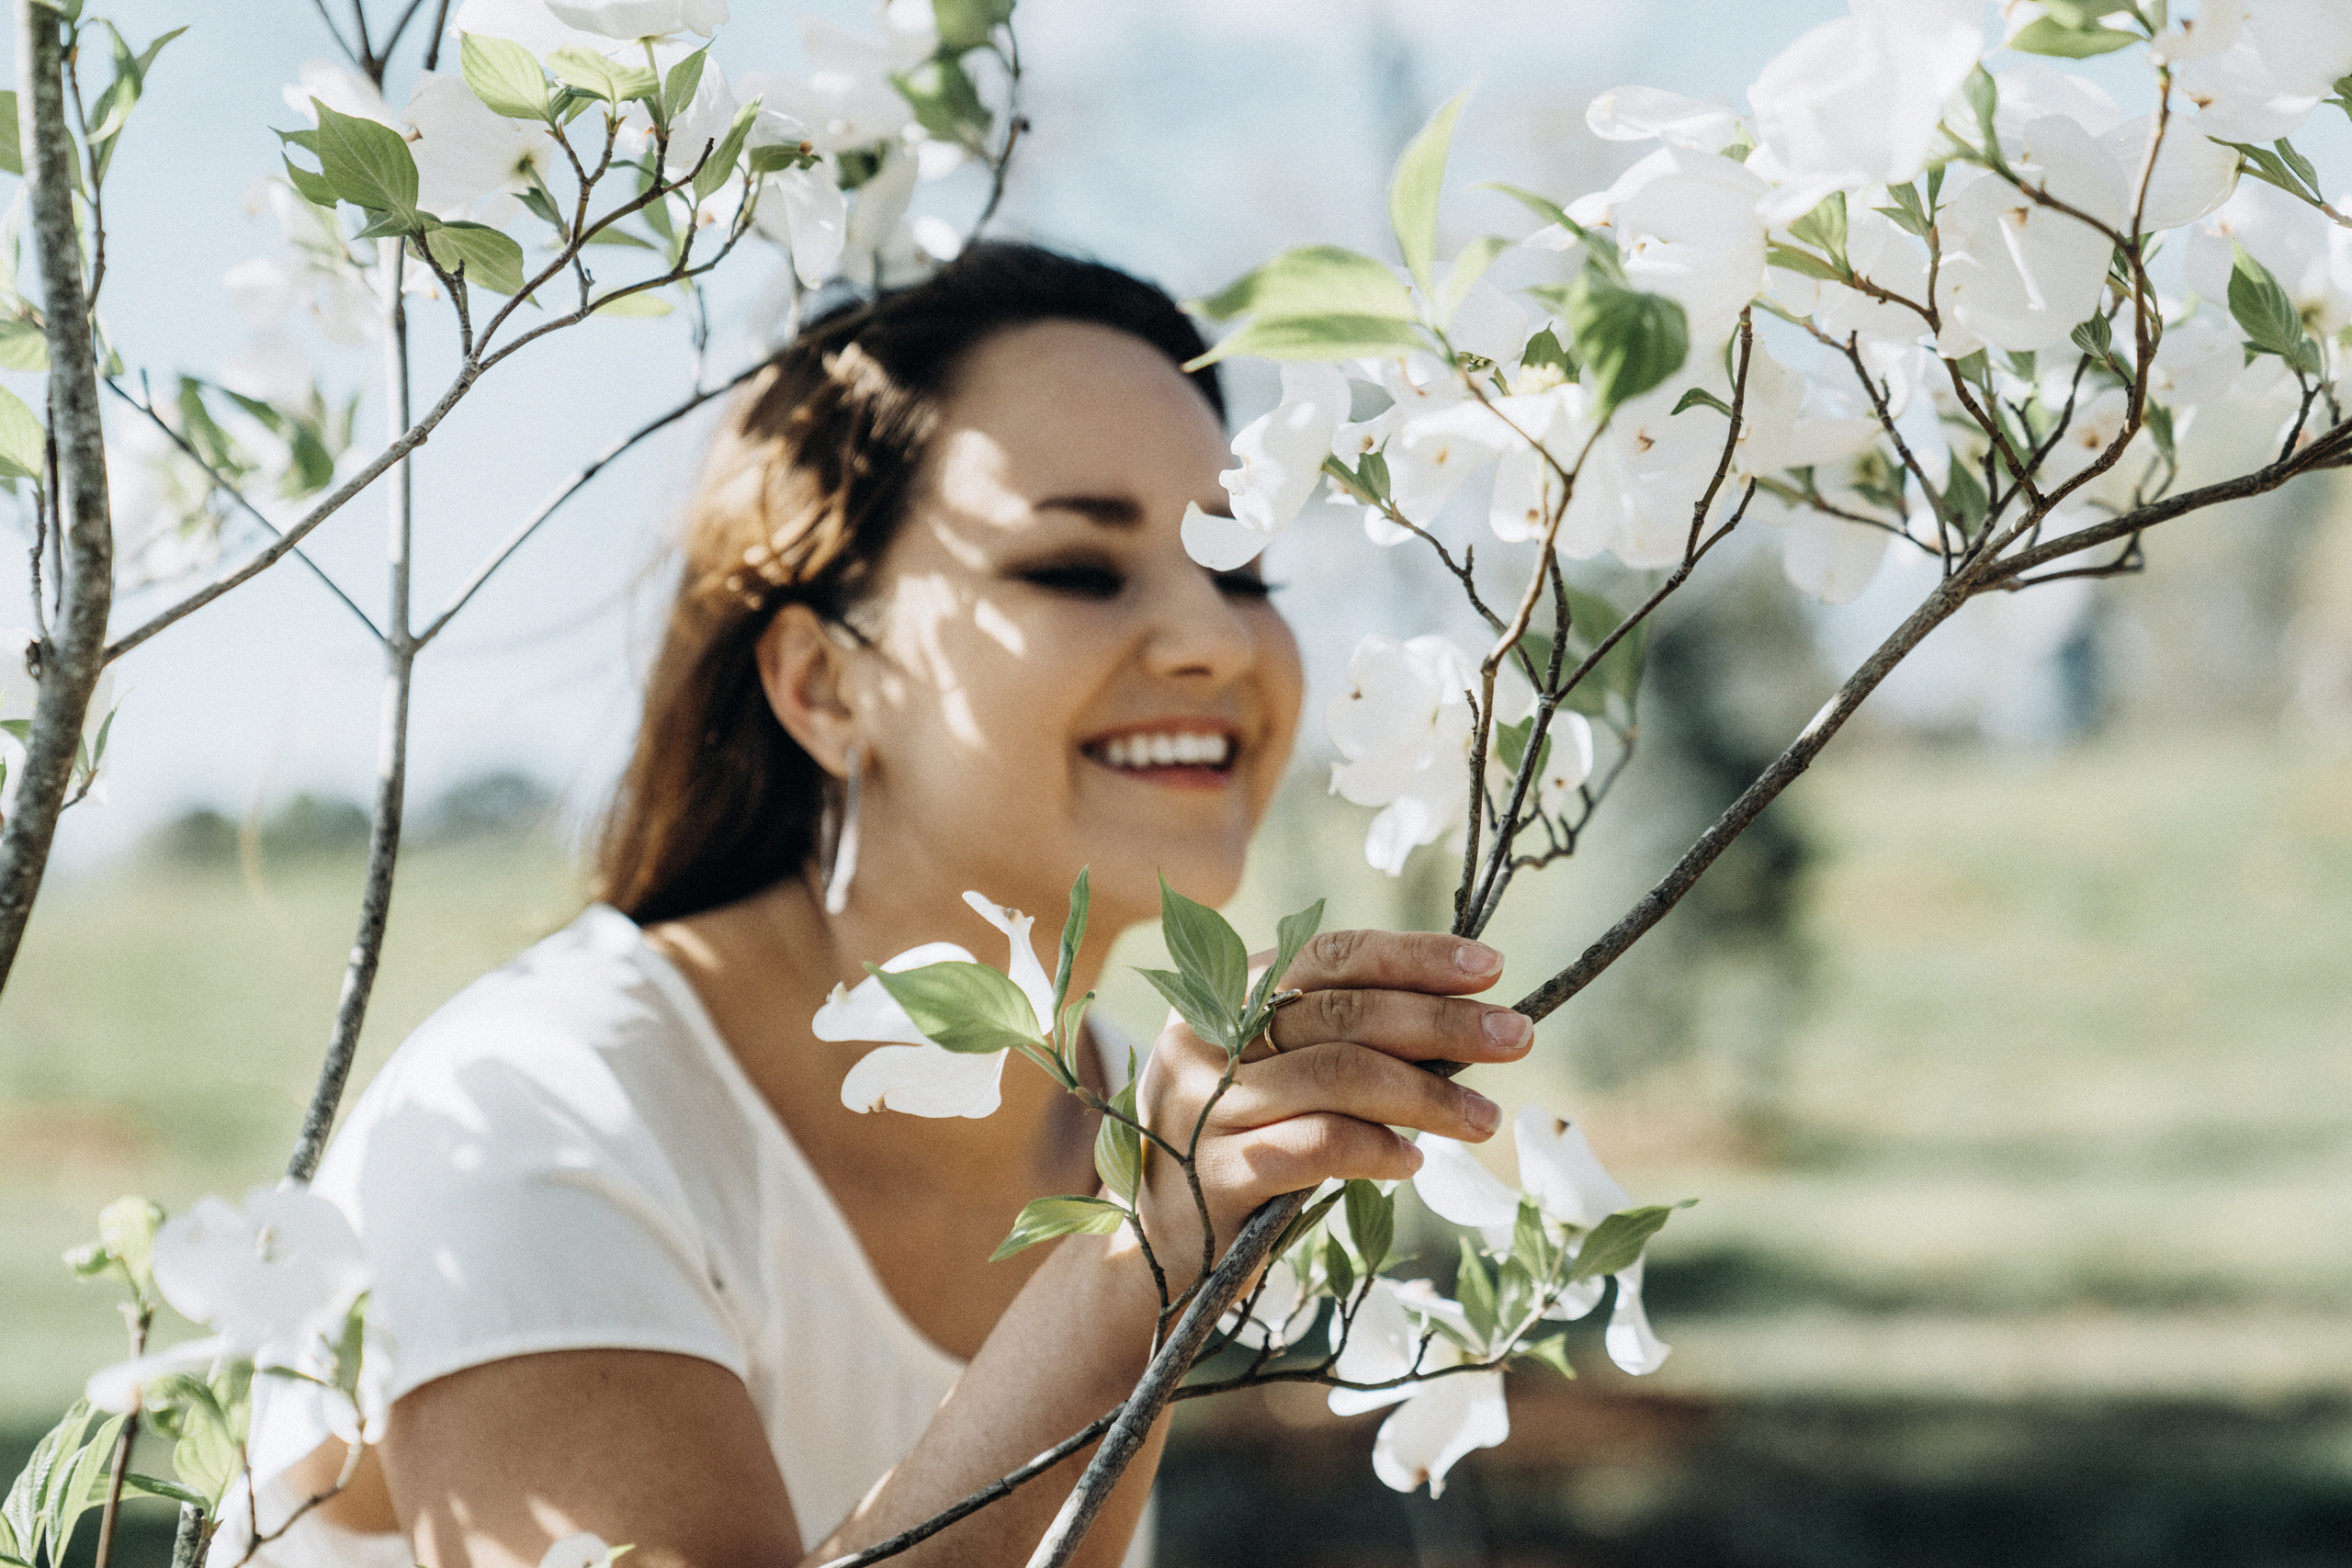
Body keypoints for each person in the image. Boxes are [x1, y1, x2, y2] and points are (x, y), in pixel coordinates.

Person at [239, 243, 1535, 1568]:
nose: (1211, 637)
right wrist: (1137, 1266)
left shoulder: (1131, 1116)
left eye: (1243, 568)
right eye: (1078, 570)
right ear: (824, 685)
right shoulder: (538, 1113)